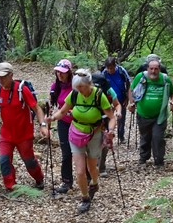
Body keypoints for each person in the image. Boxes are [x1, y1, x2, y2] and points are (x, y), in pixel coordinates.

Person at [45, 69, 115, 214]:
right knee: (80, 171)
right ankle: (85, 198)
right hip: (76, 133)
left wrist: (111, 130)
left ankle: (94, 183)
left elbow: (111, 116)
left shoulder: (98, 95)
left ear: (89, 84)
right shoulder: (75, 93)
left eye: (82, 87)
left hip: (94, 134)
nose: (80, 90)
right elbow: (63, 111)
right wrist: (52, 118)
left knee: (92, 167)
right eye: (77, 87)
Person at [0, 62, 46, 192]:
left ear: (11, 75)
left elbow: (37, 108)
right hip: (6, 134)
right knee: (4, 160)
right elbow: (0, 107)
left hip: (24, 134)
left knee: (29, 161)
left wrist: (43, 125)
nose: (0, 79)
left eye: (3, 76)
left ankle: (39, 178)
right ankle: (11, 187)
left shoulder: (22, 90)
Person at [127, 55, 173, 168]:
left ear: (159, 69)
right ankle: (143, 159)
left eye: (156, 69)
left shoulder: (164, 79)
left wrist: (172, 102)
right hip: (143, 114)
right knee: (145, 137)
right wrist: (132, 103)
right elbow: (131, 90)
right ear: (147, 68)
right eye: (151, 68)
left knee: (158, 137)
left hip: (160, 115)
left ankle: (159, 161)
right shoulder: (141, 77)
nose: (153, 71)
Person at [48, 59, 74, 194]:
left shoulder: (76, 86)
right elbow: (52, 104)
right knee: (66, 152)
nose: (60, 75)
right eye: (57, 72)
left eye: (62, 72)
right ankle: (66, 180)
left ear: (69, 72)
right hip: (63, 121)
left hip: (78, 122)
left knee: (82, 152)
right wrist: (51, 112)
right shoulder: (55, 87)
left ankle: (87, 178)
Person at [92, 72, 122, 176]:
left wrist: (118, 111)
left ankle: (101, 167)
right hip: (91, 120)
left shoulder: (109, 91)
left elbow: (117, 104)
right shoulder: (86, 90)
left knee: (104, 143)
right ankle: (92, 167)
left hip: (105, 119)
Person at [101, 57, 131, 143]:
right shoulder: (104, 73)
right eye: (108, 68)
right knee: (108, 118)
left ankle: (121, 136)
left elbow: (128, 83)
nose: (110, 70)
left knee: (121, 117)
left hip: (121, 98)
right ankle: (107, 135)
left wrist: (127, 98)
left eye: (112, 68)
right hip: (108, 99)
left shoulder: (121, 71)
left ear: (115, 66)